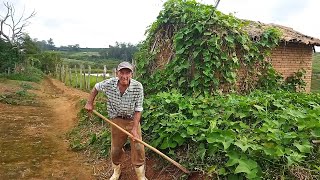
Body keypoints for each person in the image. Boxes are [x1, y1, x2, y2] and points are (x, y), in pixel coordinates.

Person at [85, 61, 147, 180]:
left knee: (138, 147)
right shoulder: (109, 83)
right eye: (122, 72)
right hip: (116, 120)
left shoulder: (137, 86)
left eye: (127, 73)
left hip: (132, 120)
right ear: (117, 73)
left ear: (131, 74)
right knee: (116, 149)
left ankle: (141, 176)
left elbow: (138, 109)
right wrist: (89, 102)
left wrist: (134, 129)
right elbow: (96, 88)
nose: (124, 76)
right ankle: (116, 171)